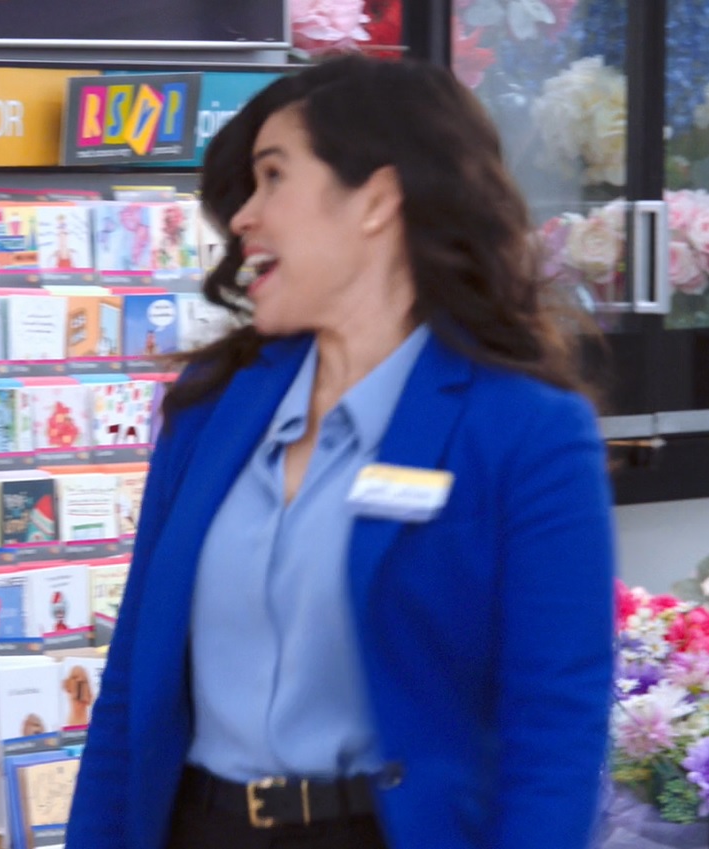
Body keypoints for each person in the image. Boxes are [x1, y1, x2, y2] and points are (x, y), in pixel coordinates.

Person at [67, 55, 615, 849]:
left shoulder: (524, 429)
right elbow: (130, 684)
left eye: (273, 177)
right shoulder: (212, 407)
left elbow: (554, 727)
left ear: (377, 200)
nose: (243, 217)